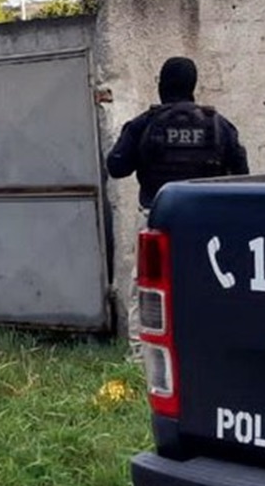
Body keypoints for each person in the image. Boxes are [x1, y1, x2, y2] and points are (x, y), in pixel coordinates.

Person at [106, 55, 248, 345]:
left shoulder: (144, 124)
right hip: (206, 223)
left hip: (156, 219)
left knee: (148, 289)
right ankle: (206, 348)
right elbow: (242, 177)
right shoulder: (220, 125)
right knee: (205, 285)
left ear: (161, 84)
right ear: (193, 85)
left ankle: (140, 358)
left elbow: (116, 166)